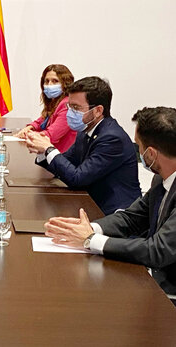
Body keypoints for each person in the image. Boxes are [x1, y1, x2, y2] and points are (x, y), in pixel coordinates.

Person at [44, 106, 176, 297]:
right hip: (152, 281)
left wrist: (91, 240)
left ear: (151, 154)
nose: (137, 150)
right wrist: (88, 228)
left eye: (138, 145)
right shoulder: (161, 178)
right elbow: (132, 218)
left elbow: (158, 250)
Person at [25, 76, 141, 215]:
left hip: (113, 214)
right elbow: (66, 162)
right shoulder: (85, 130)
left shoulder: (112, 138)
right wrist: (41, 151)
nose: (70, 112)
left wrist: (49, 148)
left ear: (98, 111)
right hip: (88, 202)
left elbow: (77, 179)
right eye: (69, 106)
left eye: (76, 108)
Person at [15, 64, 77, 152]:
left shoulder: (67, 105)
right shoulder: (54, 102)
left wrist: (27, 135)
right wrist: (29, 128)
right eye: (46, 81)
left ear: (65, 84)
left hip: (63, 157)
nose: (49, 85)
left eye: (55, 81)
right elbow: (42, 120)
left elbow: (51, 135)